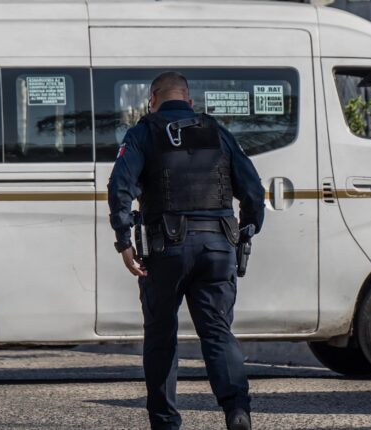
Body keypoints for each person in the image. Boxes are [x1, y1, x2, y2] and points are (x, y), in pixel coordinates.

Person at [108, 72, 265, 430]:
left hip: (166, 250)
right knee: (217, 332)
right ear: (190, 101)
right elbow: (253, 190)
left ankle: (166, 423)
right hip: (218, 248)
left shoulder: (143, 132)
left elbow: (120, 186)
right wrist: (247, 230)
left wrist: (123, 240)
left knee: (161, 334)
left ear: (152, 100)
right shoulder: (218, 132)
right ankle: (237, 410)